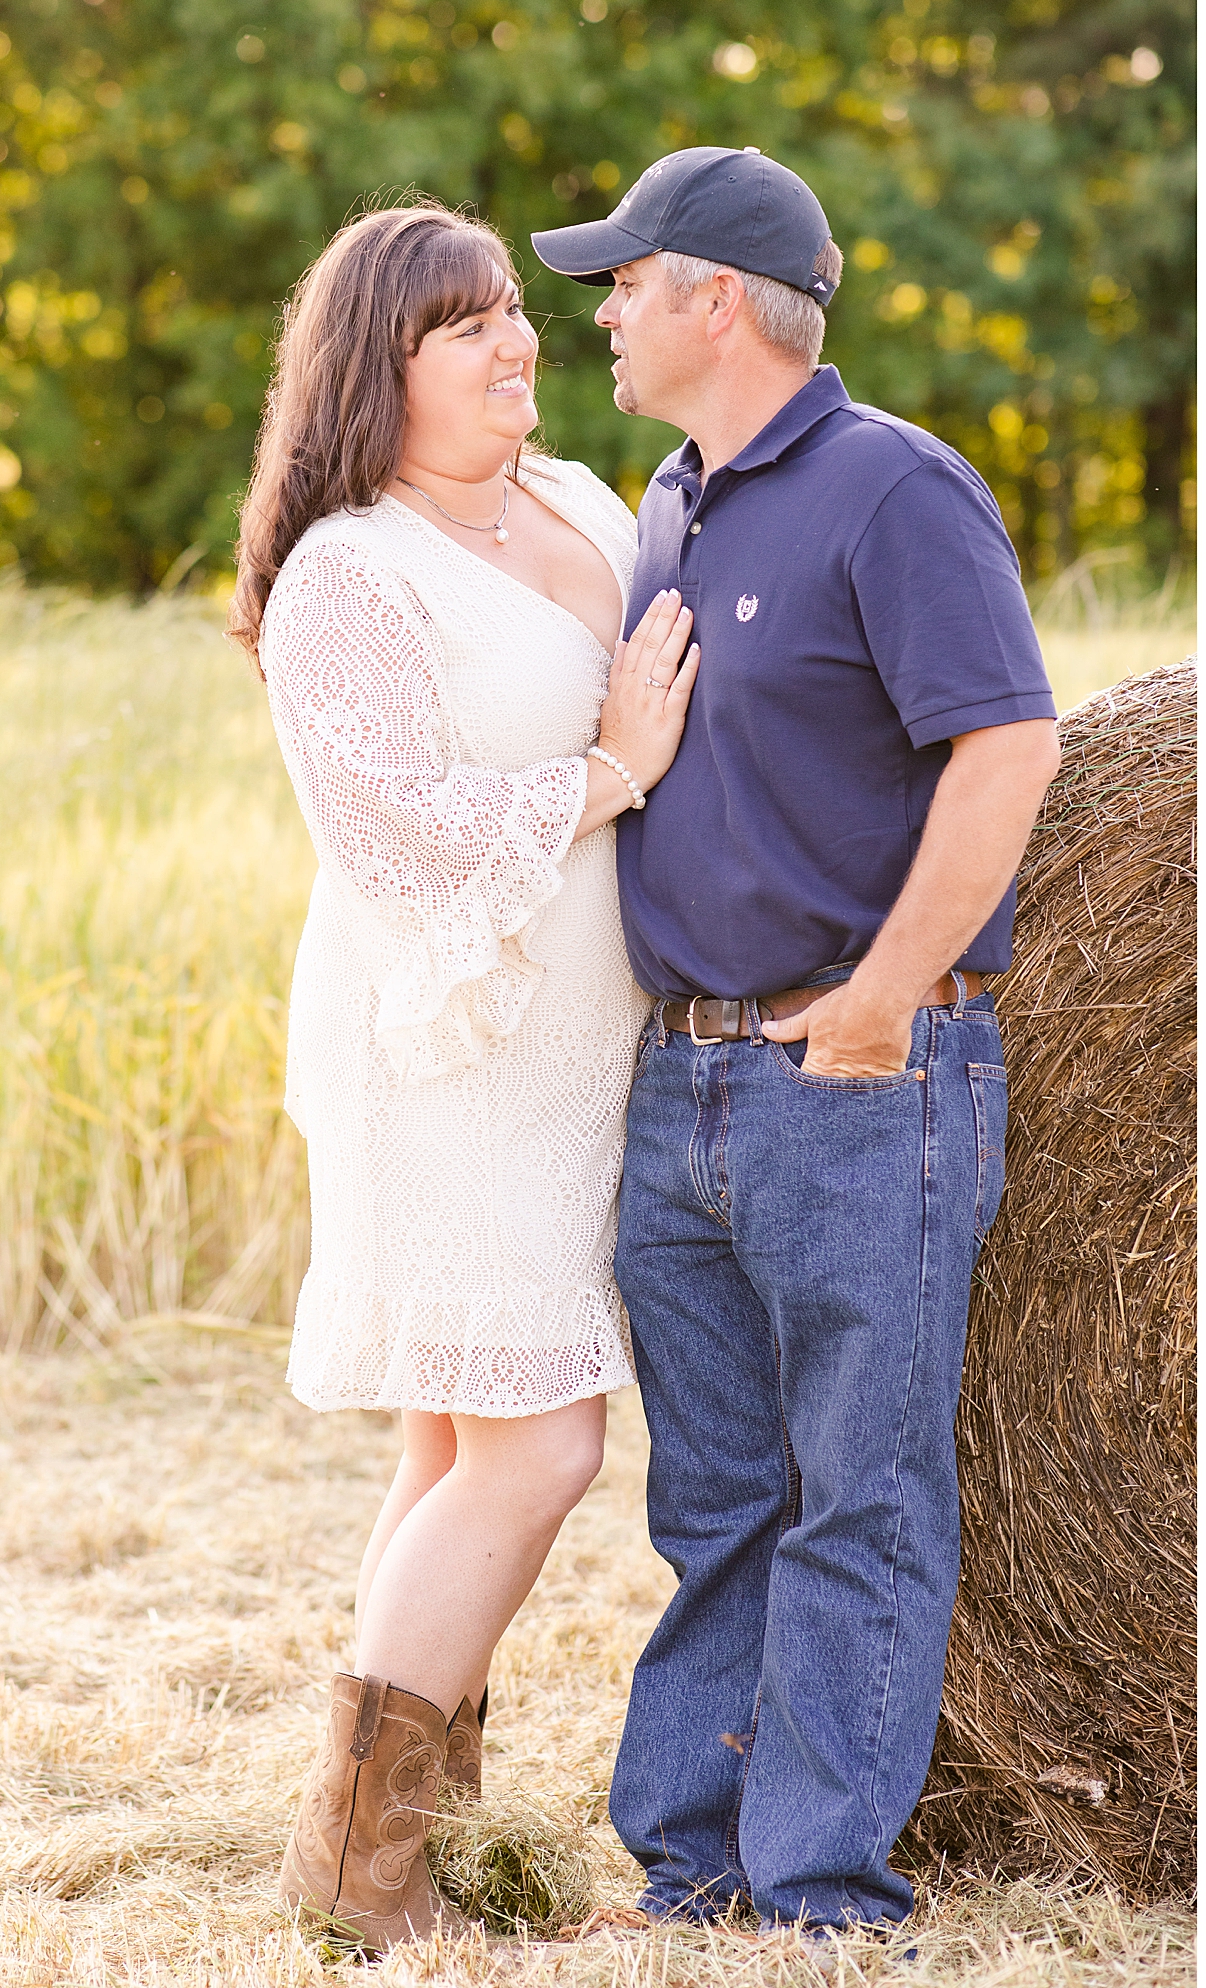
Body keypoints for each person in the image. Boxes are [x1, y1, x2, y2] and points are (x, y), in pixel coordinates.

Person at [531, 148, 1060, 1946]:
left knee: (864, 1498)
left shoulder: (893, 491)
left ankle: (822, 1899)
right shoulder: (669, 504)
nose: (597, 309)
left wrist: (881, 998)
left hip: (854, 1082)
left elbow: (1008, 747)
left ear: (718, 300)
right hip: (680, 1086)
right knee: (719, 1504)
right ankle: (693, 1871)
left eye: (622, 279)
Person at [229, 202, 700, 1953]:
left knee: (453, 1436)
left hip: (583, 1054)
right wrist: (614, 770)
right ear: (376, 372)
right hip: (441, 1055)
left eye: (513, 310)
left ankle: (434, 1832)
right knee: (541, 1443)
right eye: (462, 328)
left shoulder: (580, 498)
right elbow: (395, 841)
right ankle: (353, 1867)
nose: (516, 342)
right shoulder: (345, 576)